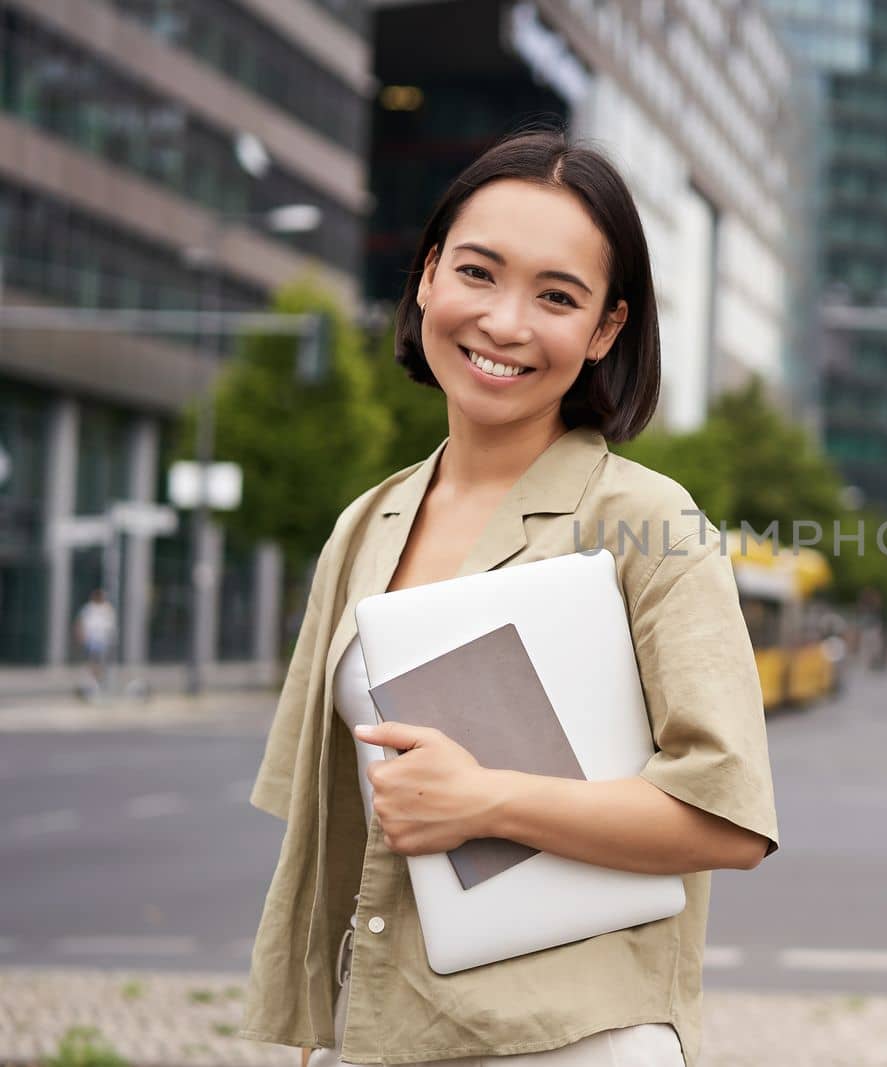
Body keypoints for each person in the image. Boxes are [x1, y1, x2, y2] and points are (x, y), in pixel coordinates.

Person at [237, 131, 778, 1067]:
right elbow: (333, 834)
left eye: (557, 297)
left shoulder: (648, 520)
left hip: (567, 1042)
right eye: (478, 273)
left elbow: (729, 821)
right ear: (427, 275)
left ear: (606, 329)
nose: (505, 322)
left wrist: (485, 800)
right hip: (374, 1038)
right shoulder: (365, 524)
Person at [73, 588, 117, 694]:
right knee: (93, 661)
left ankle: (98, 682)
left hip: (102, 640)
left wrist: (111, 638)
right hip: (92, 639)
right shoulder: (89, 608)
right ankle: (94, 683)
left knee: (100, 662)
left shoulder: (107, 609)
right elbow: (80, 622)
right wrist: (81, 635)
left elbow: (111, 625)